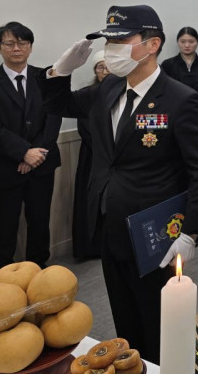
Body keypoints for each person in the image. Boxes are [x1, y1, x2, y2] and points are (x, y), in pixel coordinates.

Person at [40, 5, 198, 362]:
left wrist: (191, 232)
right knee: (124, 313)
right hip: (109, 221)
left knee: (156, 319)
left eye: (120, 41)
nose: (111, 49)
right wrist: (61, 70)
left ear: (152, 45)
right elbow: (59, 104)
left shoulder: (181, 99)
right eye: (109, 42)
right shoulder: (109, 88)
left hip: (154, 230)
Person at [0, 22, 62, 273]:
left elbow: (53, 117)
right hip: (5, 167)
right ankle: (4, 281)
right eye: (9, 43)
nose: (17, 48)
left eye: (23, 43)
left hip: (42, 165)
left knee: (40, 223)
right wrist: (24, 152)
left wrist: (35, 154)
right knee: (4, 228)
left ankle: (38, 275)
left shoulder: (46, 78)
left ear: (30, 47)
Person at [71, 50, 107, 259]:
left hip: (116, 159)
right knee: (89, 202)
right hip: (92, 156)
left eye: (108, 67)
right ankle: (89, 248)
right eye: (100, 67)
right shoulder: (87, 94)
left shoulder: (124, 92)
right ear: (95, 70)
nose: (105, 71)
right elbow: (85, 128)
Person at [161, 26, 198, 98]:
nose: (187, 45)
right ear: (177, 42)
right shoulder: (168, 64)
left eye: (191, 42)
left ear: (197, 42)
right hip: (175, 102)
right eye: (182, 42)